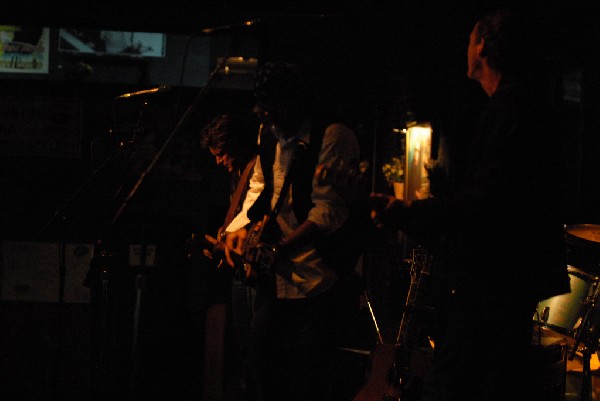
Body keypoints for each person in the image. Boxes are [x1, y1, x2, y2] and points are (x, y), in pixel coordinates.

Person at [370, 9, 570, 401]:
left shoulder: (510, 110)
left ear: (482, 47)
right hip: (507, 279)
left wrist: (409, 213)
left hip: (495, 281)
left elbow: (487, 206)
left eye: (468, 40)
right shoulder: (519, 106)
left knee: (449, 386)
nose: (464, 49)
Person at [223, 61, 365, 401]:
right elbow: (260, 186)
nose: (261, 112)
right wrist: (235, 229)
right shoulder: (268, 136)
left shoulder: (333, 136)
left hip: (319, 277)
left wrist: (280, 247)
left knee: (309, 379)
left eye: (268, 104)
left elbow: (328, 212)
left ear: (290, 102)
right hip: (277, 278)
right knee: (262, 367)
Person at [198, 113, 260, 401]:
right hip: (240, 267)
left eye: (221, 154)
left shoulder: (256, 167)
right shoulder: (237, 173)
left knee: (254, 349)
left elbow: (257, 217)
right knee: (243, 345)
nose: (218, 161)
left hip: (255, 270)